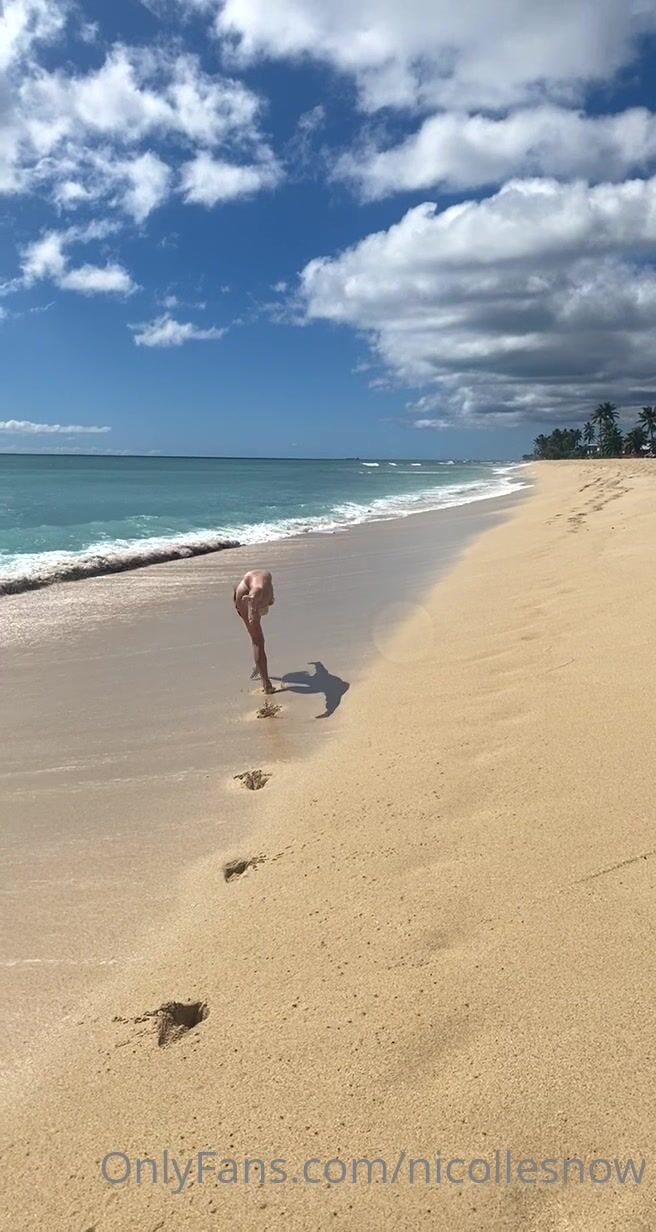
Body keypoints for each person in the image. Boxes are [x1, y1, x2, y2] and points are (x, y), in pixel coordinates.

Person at [233, 568, 275, 693]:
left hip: (245, 595)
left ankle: (260, 668)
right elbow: (258, 588)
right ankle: (266, 684)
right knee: (258, 641)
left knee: (256, 641)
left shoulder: (265, 588)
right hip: (250, 595)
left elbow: (257, 588)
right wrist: (252, 603)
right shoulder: (265, 582)